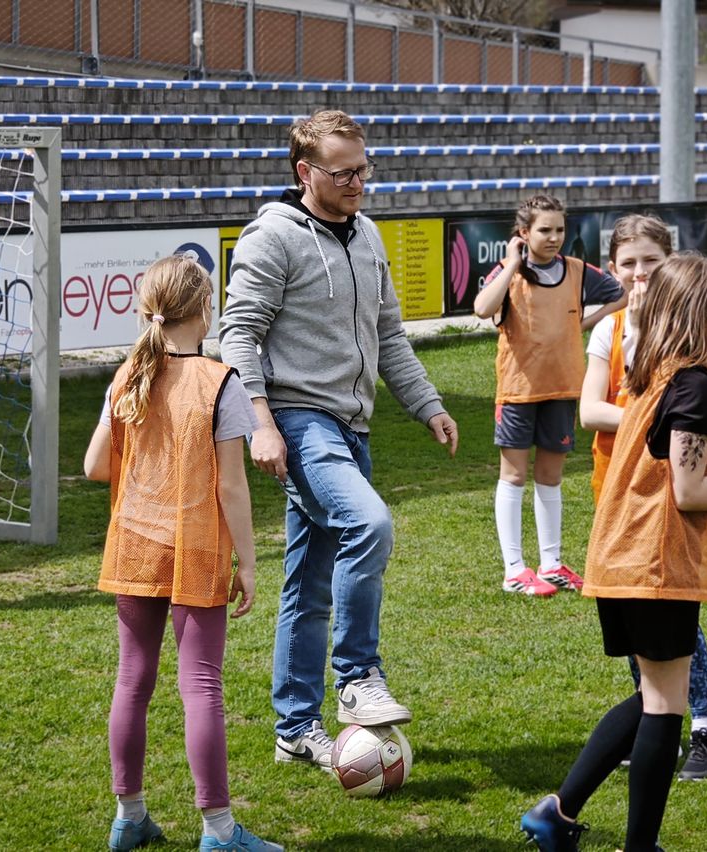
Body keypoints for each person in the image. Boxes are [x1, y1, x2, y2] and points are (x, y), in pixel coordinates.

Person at [521, 252, 707, 852]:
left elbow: (672, 470)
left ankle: (556, 813)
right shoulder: (696, 382)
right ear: (697, 313)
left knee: (655, 696)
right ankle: (638, 847)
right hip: (653, 563)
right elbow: (689, 492)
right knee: (664, 706)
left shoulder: (658, 372)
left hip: (622, 558)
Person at [219, 109, 458, 772]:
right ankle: (357, 678)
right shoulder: (273, 236)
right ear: (305, 172)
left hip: (353, 428)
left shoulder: (368, 234)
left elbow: (388, 338)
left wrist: (428, 405)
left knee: (307, 583)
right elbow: (236, 336)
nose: (359, 182)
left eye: (364, 168)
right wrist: (261, 424)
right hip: (300, 422)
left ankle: (295, 726)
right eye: (343, 172)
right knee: (370, 522)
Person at [84, 255, 282, 852]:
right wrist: (248, 563)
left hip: (134, 544)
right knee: (201, 686)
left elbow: (95, 466)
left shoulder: (126, 375)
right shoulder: (221, 381)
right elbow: (230, 485)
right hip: (194, 548)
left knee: (132, 680)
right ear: (205, 309)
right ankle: (220, 832)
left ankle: (129, 816)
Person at [579, 214, 707, 781]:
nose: (640, 274)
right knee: (658, 667)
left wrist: (661, 430)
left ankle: (703, 733)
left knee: (664, 664)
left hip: (648, 510)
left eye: (651, 261)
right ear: (613, 270)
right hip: (636, 510)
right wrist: (659, 425)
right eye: (628, 264)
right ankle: (580, 806)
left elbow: (681, 461)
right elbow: (590, 410)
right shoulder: (662, 357)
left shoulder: (682, 351)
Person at [472, 194, 626, 597]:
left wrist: (584, 322)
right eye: (544, 230)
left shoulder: (576, 271)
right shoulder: (509, 273)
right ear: (523, 234)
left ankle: (552, 564)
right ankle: (514, 569)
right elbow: (481, 307)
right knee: (514, 475)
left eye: (559, 229)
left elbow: (619, 295)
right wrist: (510, 263)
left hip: (562, 388)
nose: (554, 237)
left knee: (551, 477)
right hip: (518, 391)